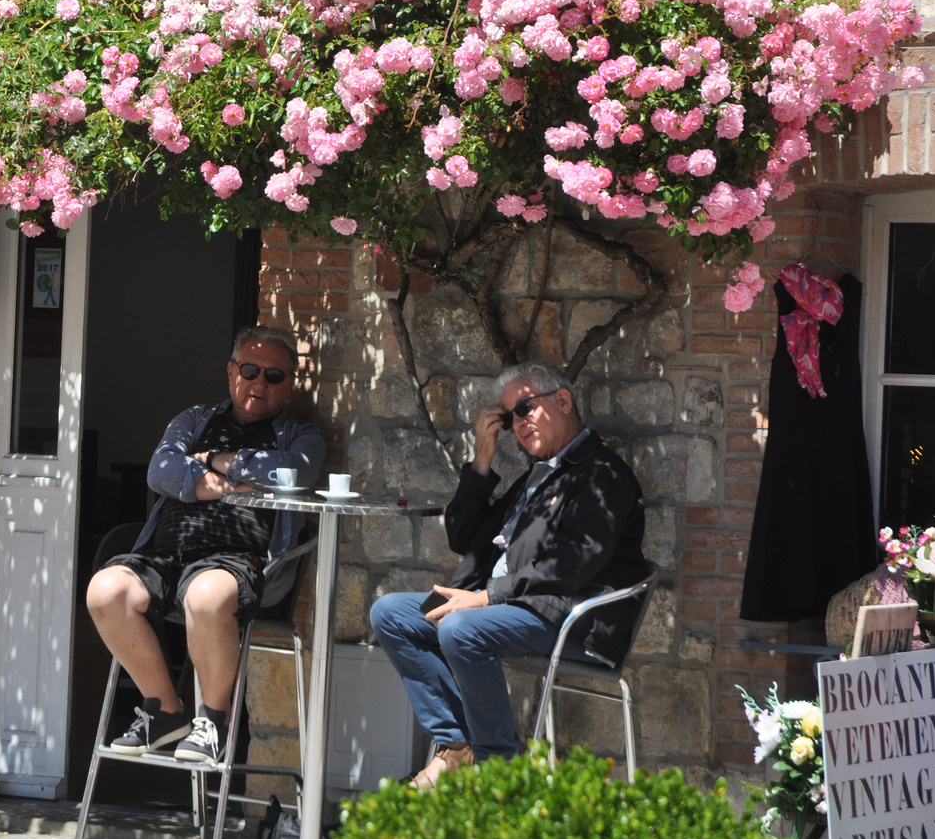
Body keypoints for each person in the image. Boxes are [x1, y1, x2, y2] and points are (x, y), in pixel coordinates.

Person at [369, 360, 647, 791]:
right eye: (509, 417)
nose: (517, 423)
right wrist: (483, 458)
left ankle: (500, 766)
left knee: (461, 629)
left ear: (563, 400)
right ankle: (458, 743)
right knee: (390, 613)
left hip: (572, 618)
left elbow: (575, 565)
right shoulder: (536, 476)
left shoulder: (603, 475)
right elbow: (463, 537)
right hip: (511, 605)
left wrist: (487, 596)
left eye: (525, 409)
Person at [85, 326, 326, 763]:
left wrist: (210, 461)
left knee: (206, 596)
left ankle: (213, 721)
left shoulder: (300, 437)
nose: (259, 384)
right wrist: (233, 482)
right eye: (250, 370)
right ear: (231, 371)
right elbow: (160, 470)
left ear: (289, 385)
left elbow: (294, 473)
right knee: (105, 591)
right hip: (165, 553)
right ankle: (164, 711)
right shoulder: (194, 420)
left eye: (274, 377)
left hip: (237, 559)